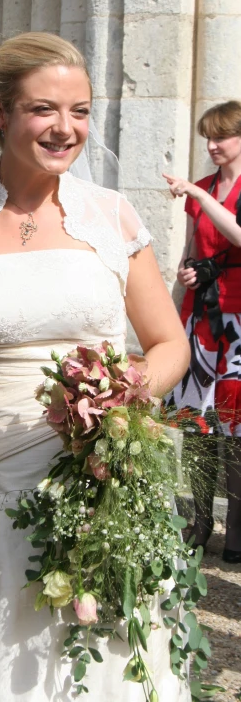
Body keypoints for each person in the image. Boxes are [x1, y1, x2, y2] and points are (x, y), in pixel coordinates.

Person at [0, 32, 190, 701]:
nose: (65, 128)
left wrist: (121, 399)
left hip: (103, 479)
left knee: (103, 663)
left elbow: (169, 344)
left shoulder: (112, 215)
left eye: (79, 110)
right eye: (45, 109)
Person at [164, 100, 241, 563]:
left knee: (236, 427)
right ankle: (201, 519)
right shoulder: (204, 189)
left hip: (237, 321)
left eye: (220, 137)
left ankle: (237, 525)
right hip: (200, 317)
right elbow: (193, 251)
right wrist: (186, 274)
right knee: (198, 426)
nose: (211, 146)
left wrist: (198, 192)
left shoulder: (207, 191)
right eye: (207, 138)